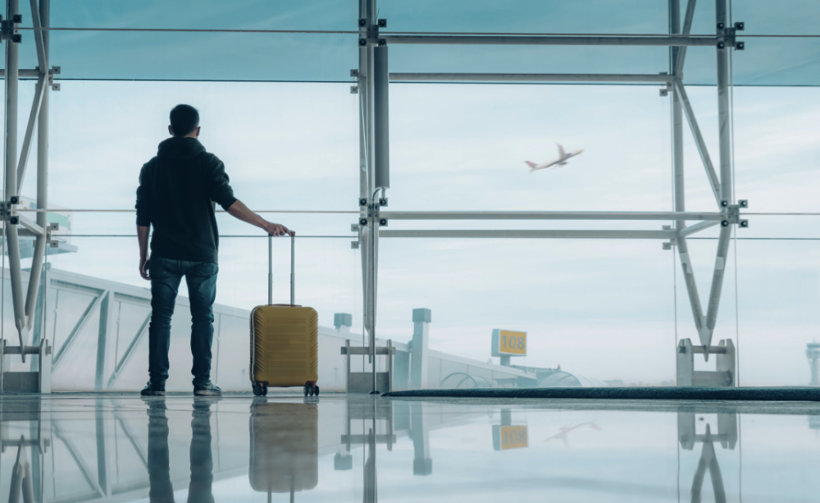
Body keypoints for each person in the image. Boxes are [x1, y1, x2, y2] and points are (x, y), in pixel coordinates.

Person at [136, 104, 292, 397]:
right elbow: (228, 202)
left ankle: (156, 383)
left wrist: (143, 255)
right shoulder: (208, 162)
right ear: (197, 130)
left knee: (161, 319)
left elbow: (142, 214)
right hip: (202, 255)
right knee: (202, 318)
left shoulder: (151, 167)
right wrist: (265, 224)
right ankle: (202, 382)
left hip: (164, 254)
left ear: (170, 130)